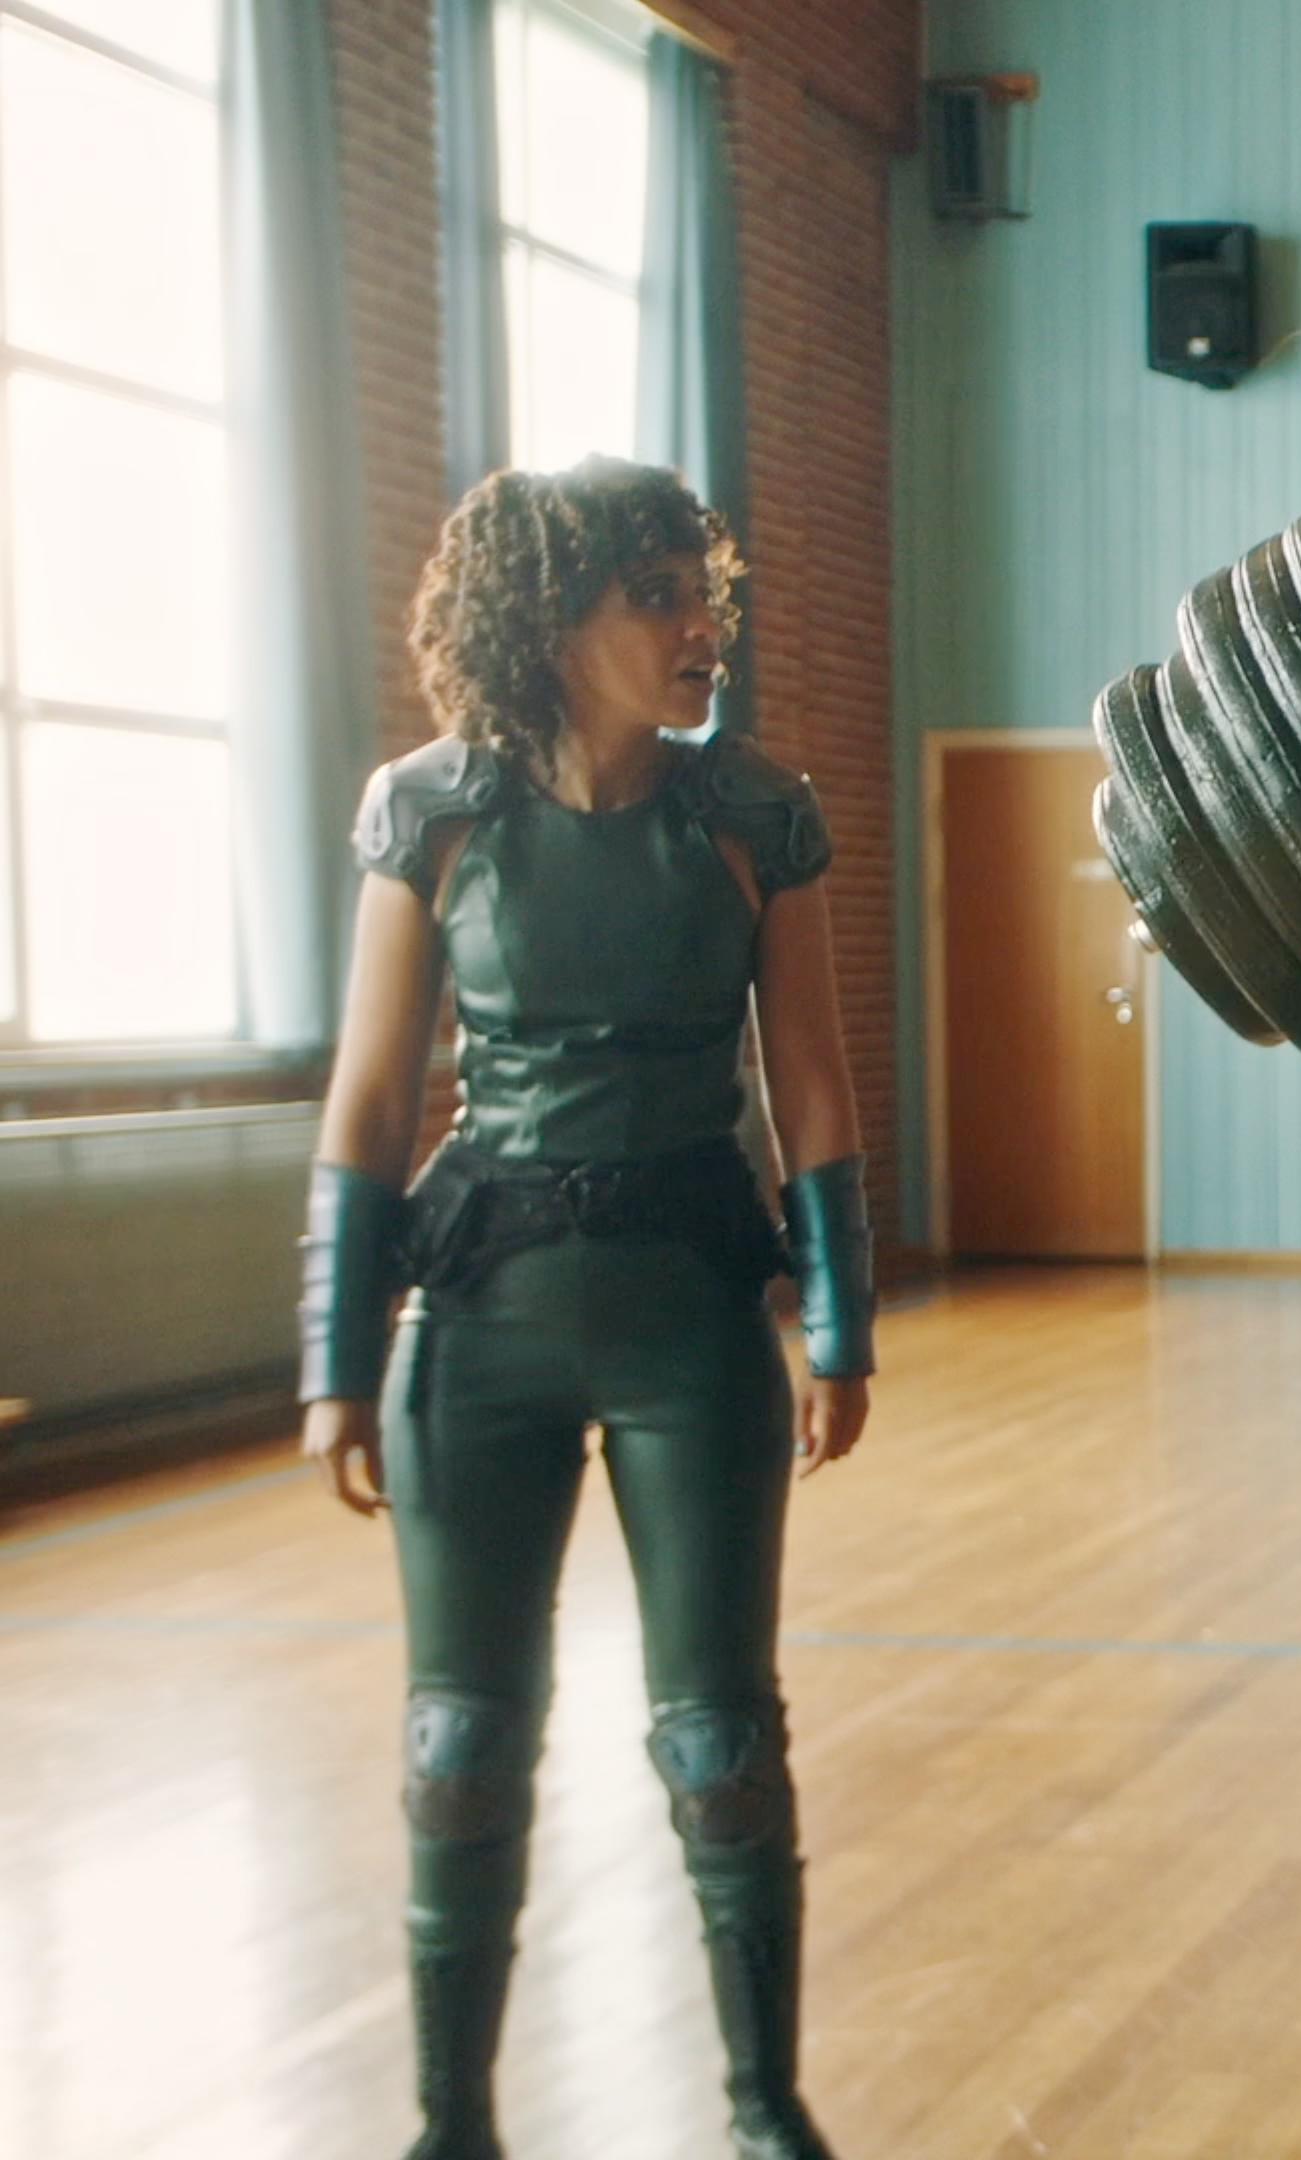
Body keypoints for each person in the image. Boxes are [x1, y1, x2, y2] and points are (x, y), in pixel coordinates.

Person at [296, 456, 877, 2160]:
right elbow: (370, 1096)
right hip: (476, 1325)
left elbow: (820, 1094)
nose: (706, 625)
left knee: (719, 1747)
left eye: (709, 590)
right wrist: (335, 1360)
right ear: (552, 622)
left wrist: (839, 1323)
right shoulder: (436, 810)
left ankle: (768, 2113)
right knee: (460, 1740)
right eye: (659, 596)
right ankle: (448, 2128)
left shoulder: (758, 817)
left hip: (696, 1322)